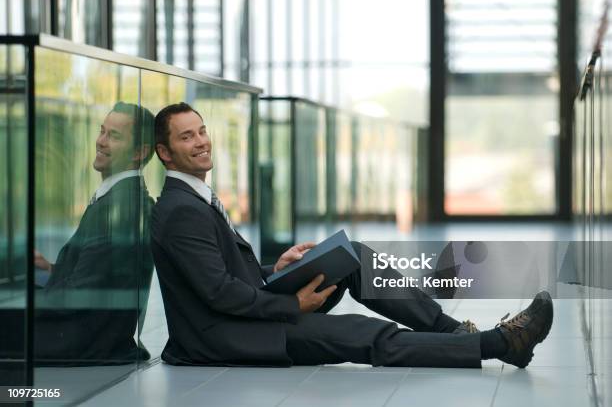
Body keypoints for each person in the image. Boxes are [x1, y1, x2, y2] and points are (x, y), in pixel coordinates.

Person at [150, 102, 554, 369]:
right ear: (165, 153)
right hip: (229, 336)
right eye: (186, 137)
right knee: (364, 334)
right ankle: (500, 345)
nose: (201, 141)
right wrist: (292, 303)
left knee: (352, 256)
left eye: (201, 131)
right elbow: (219, 294)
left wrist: (276, 268)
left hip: (246, 314)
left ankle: (450, 331)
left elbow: (221, 275)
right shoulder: (181, 209)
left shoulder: (193, 197)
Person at [28, 102, 156, 365]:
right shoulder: (120, 198)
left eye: (114, 136)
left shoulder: (118, 209)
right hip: (88, 333)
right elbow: (98, 277)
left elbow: (78, 296)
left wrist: (22, 301)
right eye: (102, 131)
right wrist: (51, 270)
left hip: (80, 340)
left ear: (139, 152)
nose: (101, 142)